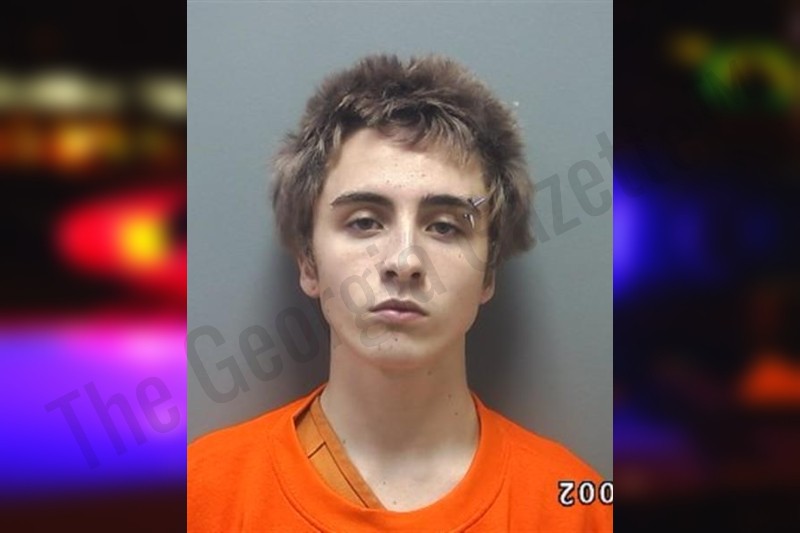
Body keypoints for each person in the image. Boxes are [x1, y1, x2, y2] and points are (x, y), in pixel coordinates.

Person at [188, 53, 612, 531]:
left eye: (445, 227)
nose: (404, 261)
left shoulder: (576, 508)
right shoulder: (200, 495)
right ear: (308, 261)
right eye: (365, 222)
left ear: (488, 273)